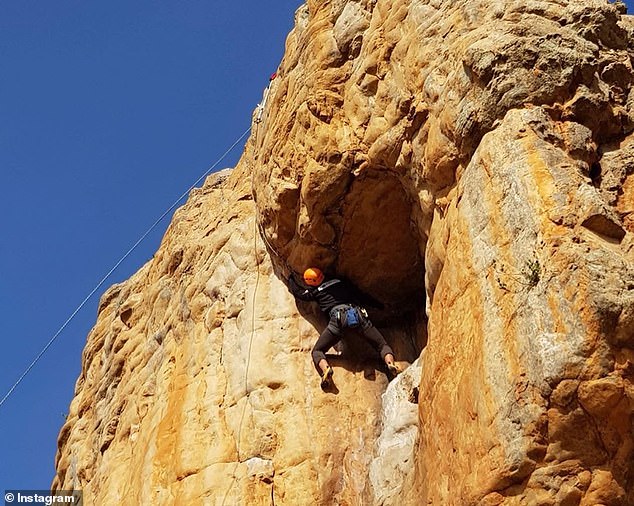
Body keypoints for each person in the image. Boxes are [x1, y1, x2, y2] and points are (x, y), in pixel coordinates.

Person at [288, 267, 400, 389]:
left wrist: (291, 279)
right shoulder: (340, 280)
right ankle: (390, 363)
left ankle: (326, 369)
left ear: (311, 282)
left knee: (317, 351)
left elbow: (299, 293)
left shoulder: (315, 291)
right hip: (357, 315)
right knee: (382, 345)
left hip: (338, 321)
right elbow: (361, 295)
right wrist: (379, 305)